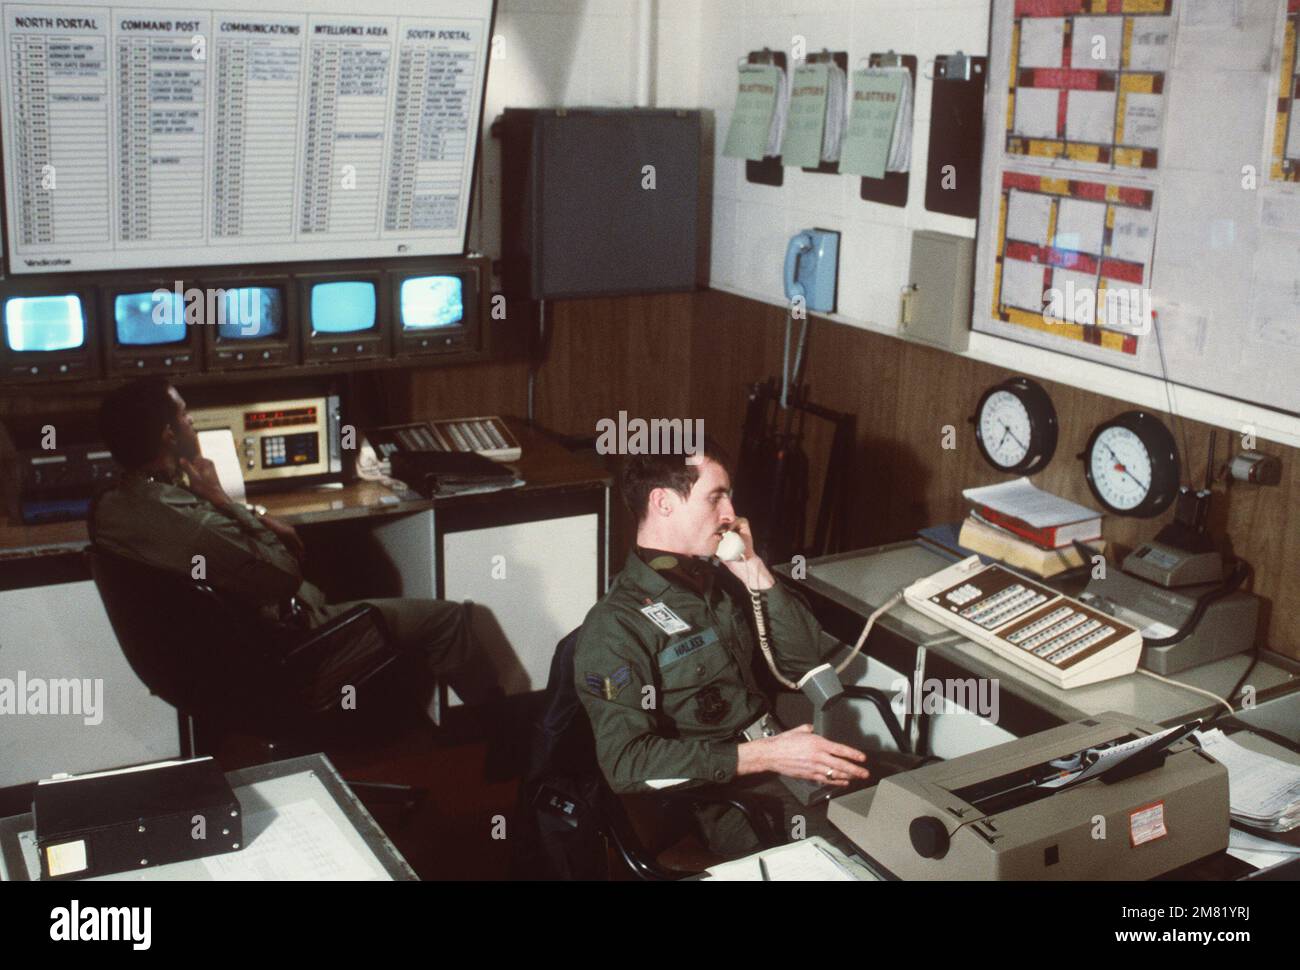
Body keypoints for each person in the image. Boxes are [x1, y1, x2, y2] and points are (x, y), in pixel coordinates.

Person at [92, 376, 500, 715]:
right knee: (449, 619)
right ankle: (506, 742)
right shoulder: (194, 522)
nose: (191, 420)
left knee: (350, 571)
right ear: (168, 434)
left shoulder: (109, 509)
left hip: (198, 673)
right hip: (282, 663)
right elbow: (285, 573)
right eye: (183, 413)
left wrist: (231, 508)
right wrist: (223, 501)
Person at [574, 445, 870, 857]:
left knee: (922, 804)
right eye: (716, 497)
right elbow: (627, 764)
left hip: (785, 760)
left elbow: (806, 661)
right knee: (868, 857)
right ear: (662, 502)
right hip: (724, 797)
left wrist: (751, 566)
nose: (731, 513)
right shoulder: (616, 626)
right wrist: (764, 755)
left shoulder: (719, 579)